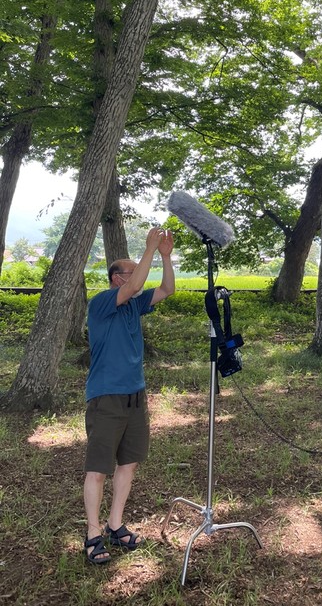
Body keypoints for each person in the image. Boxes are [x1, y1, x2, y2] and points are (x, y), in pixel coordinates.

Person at [83, 226, 175, 565]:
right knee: (97, 469)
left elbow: (167, 288)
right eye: (130, 269)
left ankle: (115, 525)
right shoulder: (102, 303)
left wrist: (164, 255)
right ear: (117, 278)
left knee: (129, 464)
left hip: (136, 397)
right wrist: (150, 246)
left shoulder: (134, 307)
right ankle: (92, 534)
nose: (136, 273)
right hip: (105, 398)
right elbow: (138, 284)